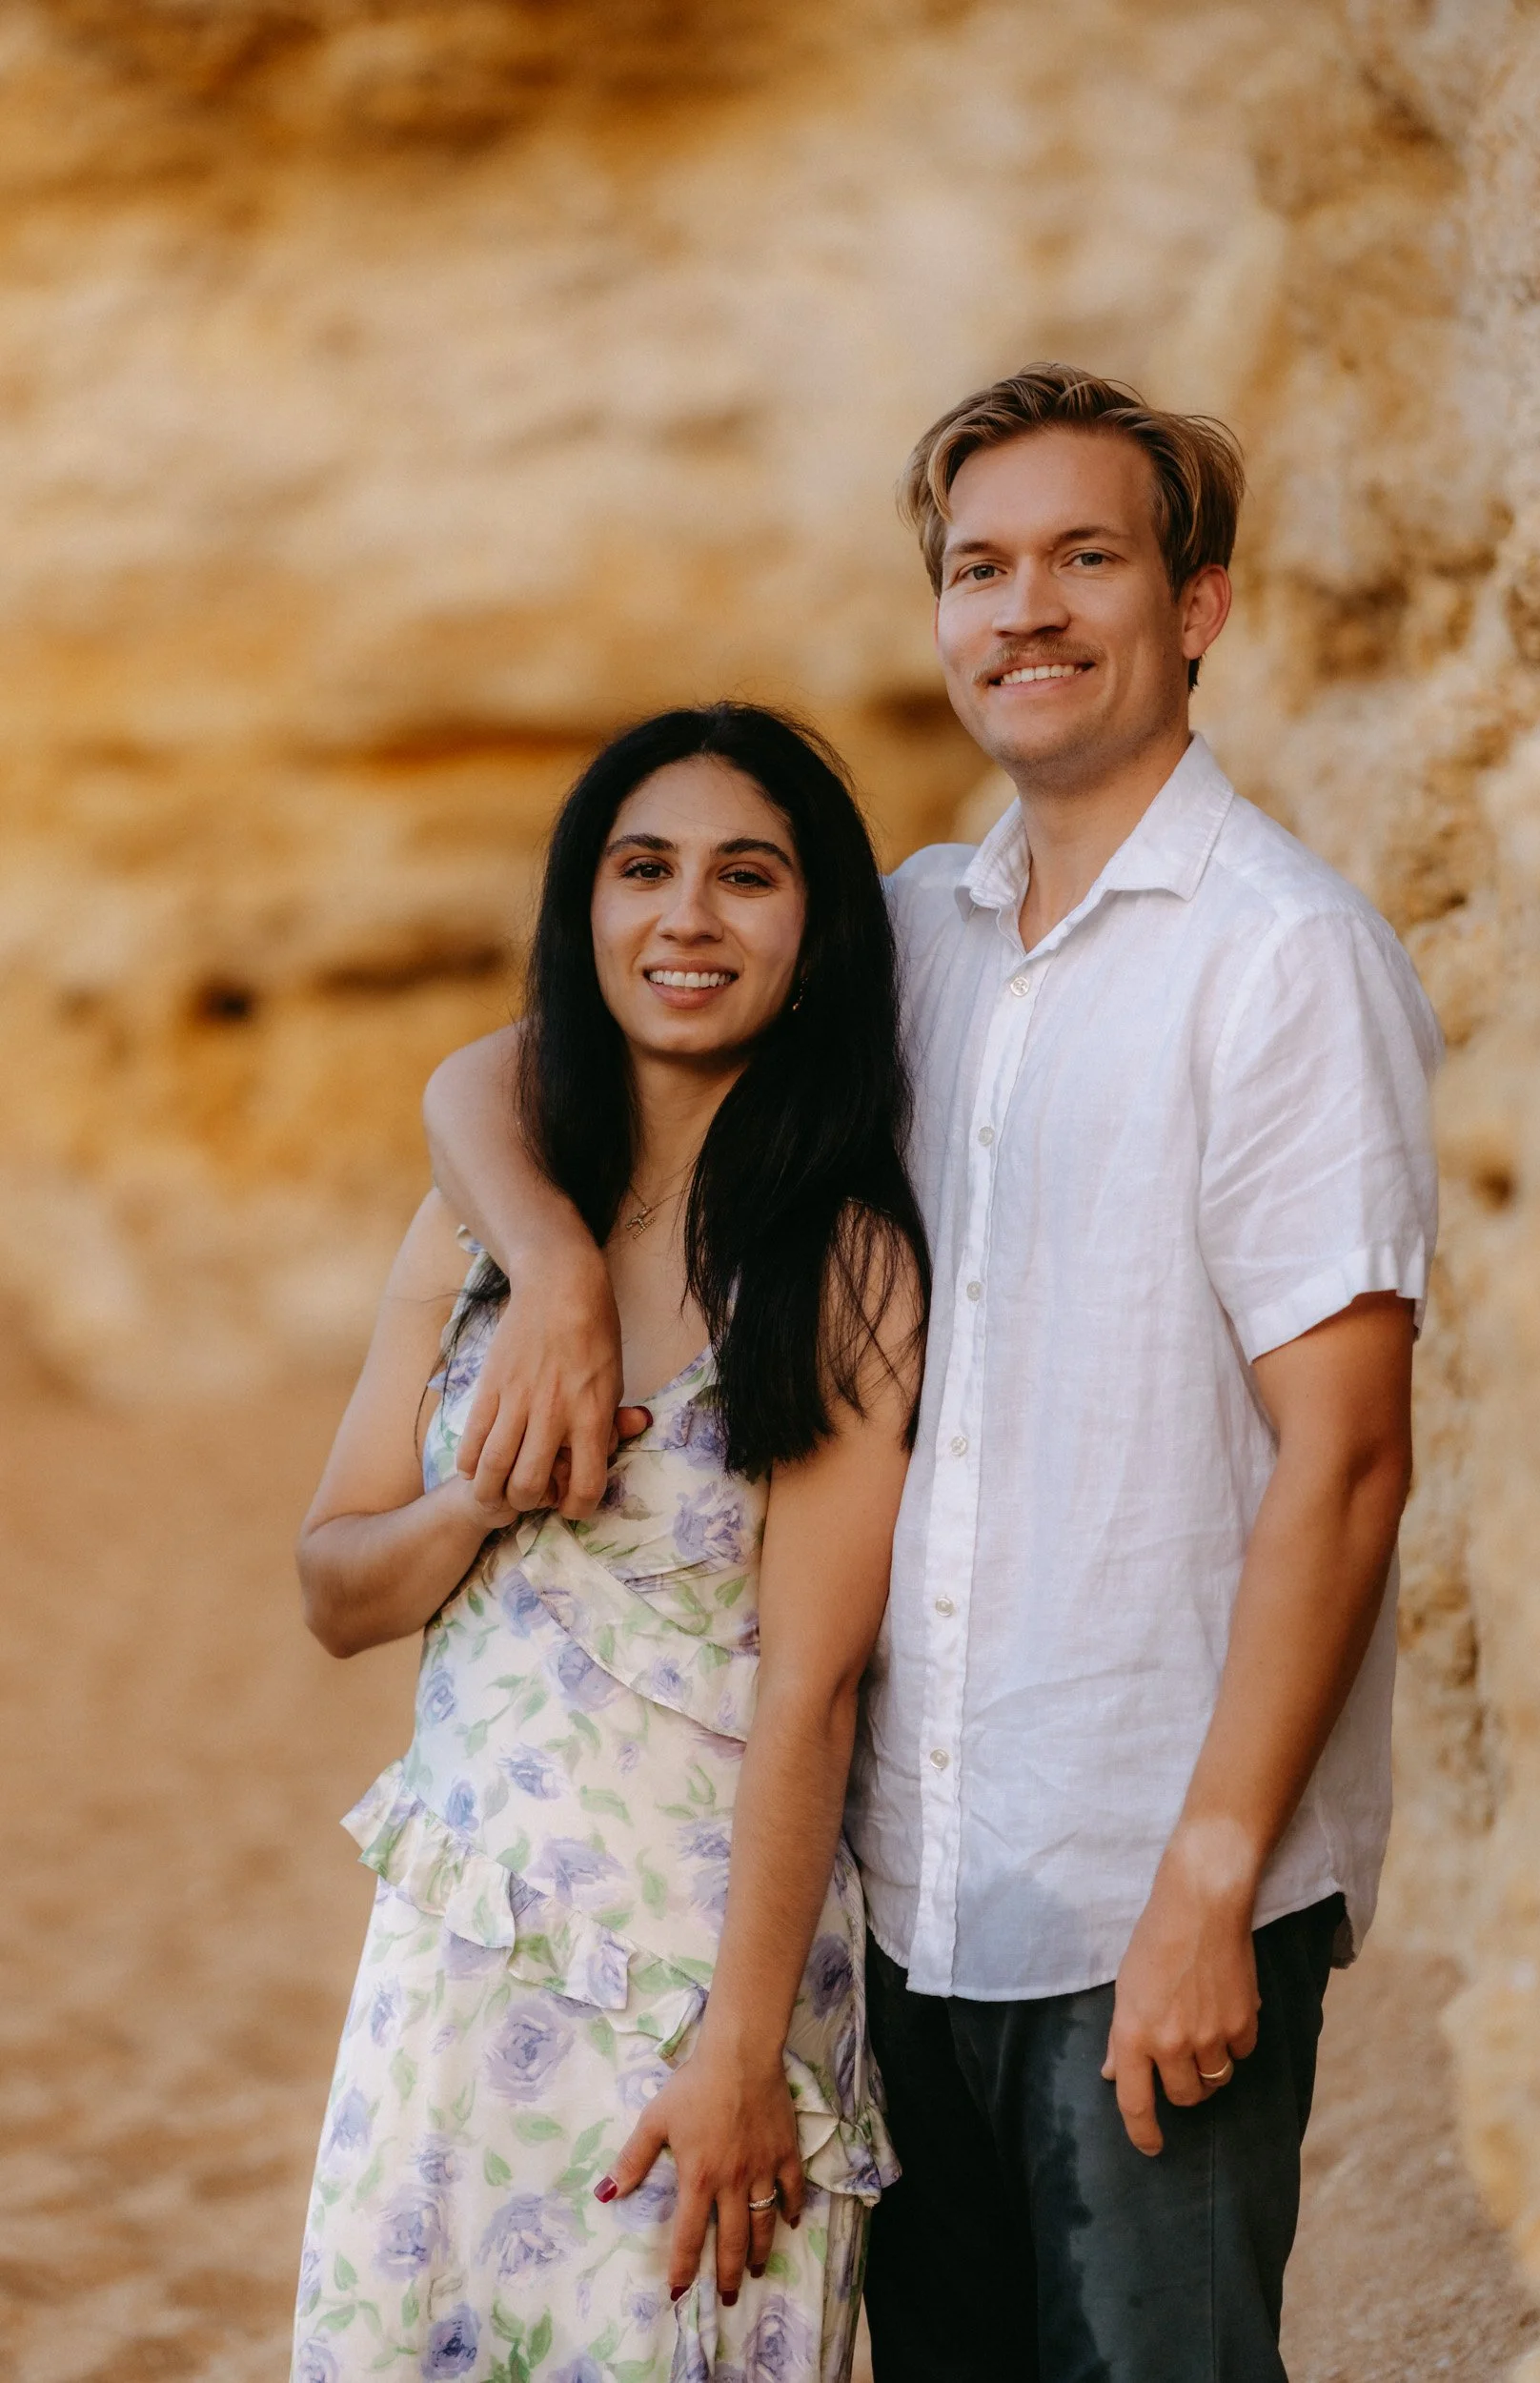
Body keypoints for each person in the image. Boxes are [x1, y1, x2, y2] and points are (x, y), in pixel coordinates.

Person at [421, 366, 1442, 2383]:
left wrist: (1208, 1882)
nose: (1024, 609)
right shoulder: (907, 939)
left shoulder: (1278, 955)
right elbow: (513, 1063)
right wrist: (543, 1254)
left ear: (1197, 607)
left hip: (1149, 1886)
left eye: (1085, 557)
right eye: (977, 566)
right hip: (908, 1910)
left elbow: (1342, 1461)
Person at [292, 703, 927, 2383]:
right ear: (585, 910)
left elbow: (814, 1690)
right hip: (451, 1960)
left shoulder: (844, 1259)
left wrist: (736, 2055)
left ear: (817, 930)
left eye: (747, 876)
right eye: (642, 870)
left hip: (695, 1992)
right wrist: (479, 1497)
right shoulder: (481, 1218)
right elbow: (333, 1587)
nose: (687, 918)